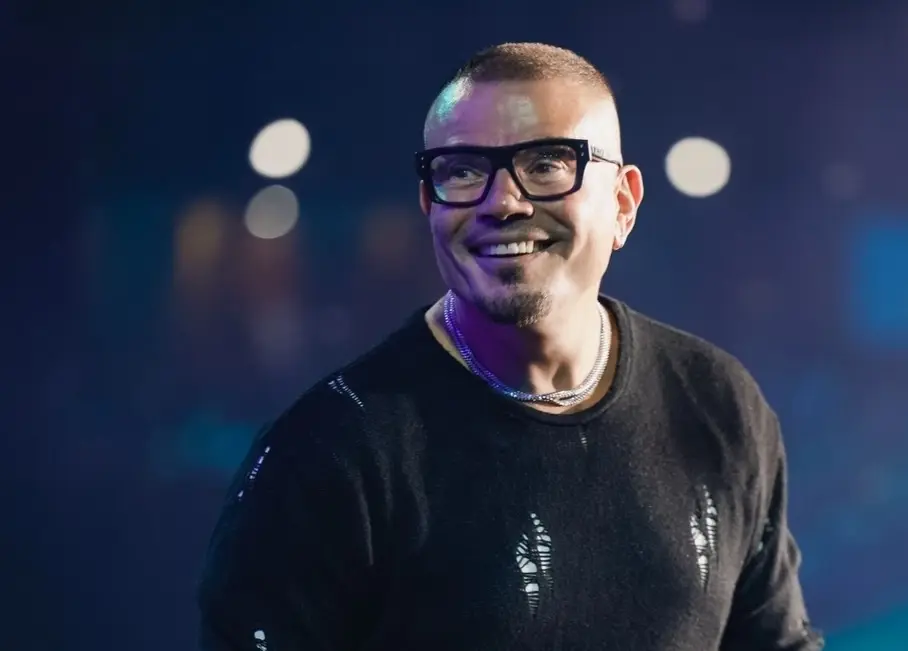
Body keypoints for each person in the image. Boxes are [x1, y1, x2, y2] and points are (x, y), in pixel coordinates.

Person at [198, 42, 823, 651]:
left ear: (623, 203)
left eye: (547, 163)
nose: (502, 202)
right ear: (429, 204)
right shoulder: (328, 452)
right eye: (463, 170)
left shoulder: (717, 403)